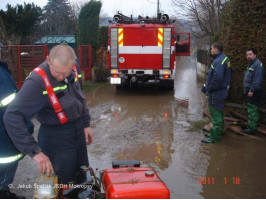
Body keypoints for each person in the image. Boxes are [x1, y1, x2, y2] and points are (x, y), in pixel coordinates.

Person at [3, 45, 93, 184]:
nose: (61, 76)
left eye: (66, 73)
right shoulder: (36, 81)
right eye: (57, 72)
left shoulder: (74, 68)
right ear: (48, 60)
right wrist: (35, 152)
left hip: (77, 131)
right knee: (62, 183)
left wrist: (85, 123)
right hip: (55, 138)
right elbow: (12, 116)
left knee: (82, 176)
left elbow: (79, 97)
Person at [0, 46, 33, 198]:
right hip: (4, 136)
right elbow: (13, 109)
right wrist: (26, 127)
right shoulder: (1, 76)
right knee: (6, 167)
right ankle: (3, 192)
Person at [201, 42, 231, 143]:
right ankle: (215, 133)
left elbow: (217, 78)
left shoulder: (219, 61)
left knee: (216, 115)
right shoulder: (223, 59)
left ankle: (215, 138)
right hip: (219, 92)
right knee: (216, 114)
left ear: (216, 50)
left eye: (211, 49)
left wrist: (210, 89)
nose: (211, 51)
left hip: (216, 93)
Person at [242, 48, 264, 135]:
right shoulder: (251, 64)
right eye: (247, 55)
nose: (248, 56)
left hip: (254, 92)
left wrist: (251, 91)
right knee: (250, 110)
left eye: (250, 54)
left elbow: (257, 80)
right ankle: (249, 127)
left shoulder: (258, 65)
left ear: (255, 54)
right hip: (249, 91)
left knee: (253, 110)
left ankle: (251, 129)